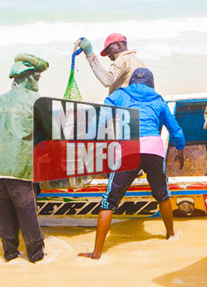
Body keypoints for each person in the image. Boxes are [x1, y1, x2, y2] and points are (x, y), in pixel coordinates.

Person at [79, 68, 185, 260]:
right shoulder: (158, 101)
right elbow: (175, 129)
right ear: (151, 83)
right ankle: (171, 236)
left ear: (131, 82)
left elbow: (100, 121)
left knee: (109, 201)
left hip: (128, 149)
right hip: (153, 149)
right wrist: (180, 150)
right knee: (162, 195)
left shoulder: (119, 95)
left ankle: (96, 253)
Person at [0, 53, 48, 263]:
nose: (37, 82)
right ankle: (37, 256)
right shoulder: (36, 100)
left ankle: (10, 254)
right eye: (37, 77)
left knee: (5, 212)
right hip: (20, 165)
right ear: (29, 76)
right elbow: (48, 132)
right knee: (27, 212)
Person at [74, 33, 145, 94]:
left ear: (119, 45)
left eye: (109, 50)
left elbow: (107, 80)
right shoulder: (139, 62)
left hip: (122, 103)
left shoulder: (122, 59)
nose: (108, 55)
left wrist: (90, 55)